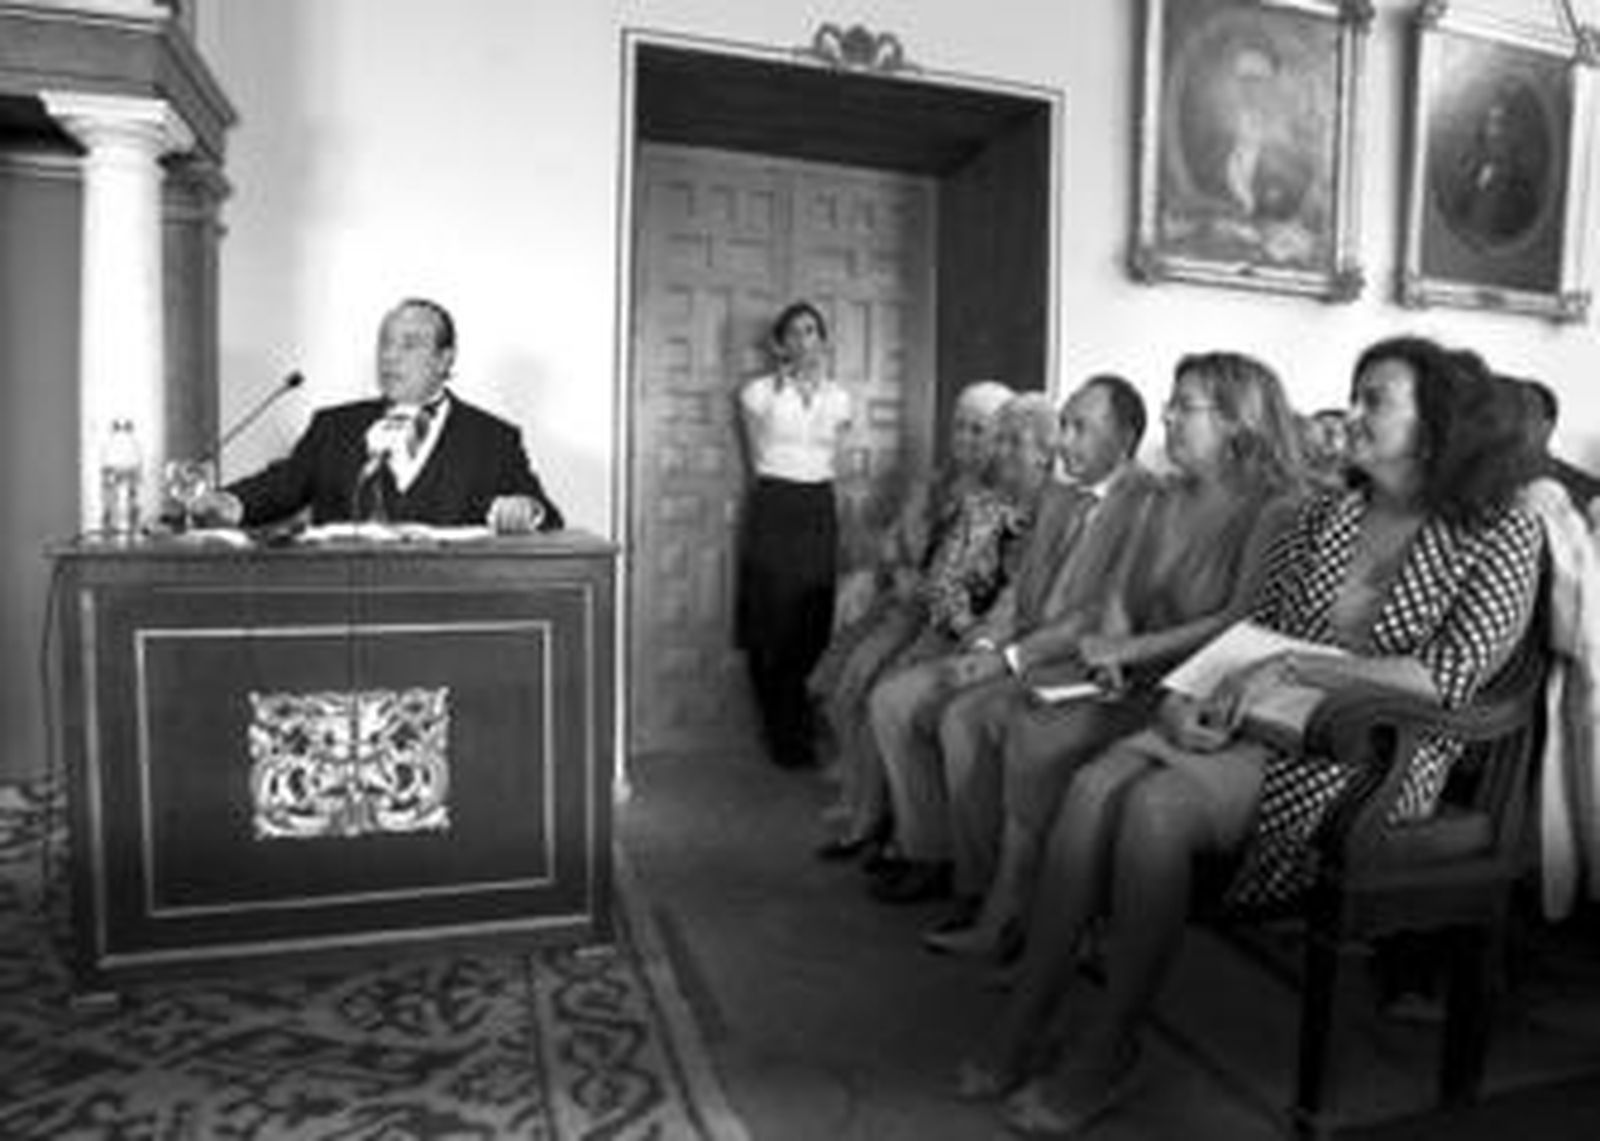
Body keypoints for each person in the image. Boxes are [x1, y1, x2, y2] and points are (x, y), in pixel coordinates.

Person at [958, 337, 1542, 1136]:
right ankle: (1025, 1019)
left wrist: (1299, 669)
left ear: (1436, 420)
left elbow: (1449, 674)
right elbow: (1252, 631)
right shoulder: (1331, 512)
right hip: (1263, 714)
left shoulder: (1502, 526)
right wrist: (1179, 699)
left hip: (1375, 750)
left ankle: (1107, 1048)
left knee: (1153, 808)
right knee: (1095, 785)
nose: (1352, 415)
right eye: (1357, 394)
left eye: (1376, 399)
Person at [928, 353, 1304, 959]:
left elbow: (1236, 618)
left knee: (1041, 737)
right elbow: (1119, 598)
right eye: (1170, 406)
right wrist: (1111, 651)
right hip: (1131, 671)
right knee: (1025, 719)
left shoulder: (1271, 508)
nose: (1169, 419)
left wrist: (1129, 650)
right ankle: (1021, 913)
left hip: (1199, 686)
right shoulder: (1164, 498)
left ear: (1237, 420)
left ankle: (1040, 923)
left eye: (1185, 408)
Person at [856, 375, 1154, 903]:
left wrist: (1006, 659)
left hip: (1075, 661)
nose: (1063, 442)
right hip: (1017, 645)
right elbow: (1019, 592)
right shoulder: (1062, 499)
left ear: (1125, 438)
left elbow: (1094, 615)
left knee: (962, 718)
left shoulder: (1146, 504)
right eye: (1064, 426)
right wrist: (986, 646)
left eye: (1079, 428)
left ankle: (983, 889)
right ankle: (933, 854)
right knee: (891, 700)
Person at [863, 392, 1066, 903]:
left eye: (1012, 440)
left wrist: (991, 645)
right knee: (889, 701)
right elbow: (941, 579)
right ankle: (926, 848)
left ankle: (975, 873)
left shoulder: (1062, 512)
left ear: (1046, 451)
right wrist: (968, 631)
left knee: (938, 709)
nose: (1001, 450)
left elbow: (1045, 608)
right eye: (1000, 439)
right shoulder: (982, 505)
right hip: (964, 637)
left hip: (1021, 652)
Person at [811, 379, 1013, 857]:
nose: (966, 439)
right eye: (960, 427)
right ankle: (865, 801)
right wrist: (890, 569)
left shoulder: (1001, 498)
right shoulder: (934, 482)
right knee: (844, 678)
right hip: (906, 602)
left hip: (941, 619)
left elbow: (986, 586)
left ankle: (874, 817)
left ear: (1000, 438)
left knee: (871, 679)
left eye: (979, 430)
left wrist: (924, 589)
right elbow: (895, 544)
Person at [201, 298, 564, 532]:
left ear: (444, 358)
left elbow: (545, 515)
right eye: (385, 343)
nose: (390, 356)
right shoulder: (335, 427)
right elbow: (283, 485)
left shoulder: (492, 439)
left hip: (448, 619)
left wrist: (526, 510)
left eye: (409, 344)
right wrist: (229, 502)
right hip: (345, 617)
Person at [736, 300, 854, 769]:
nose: (806, 340)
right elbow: (753, 459)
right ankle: (778, 732)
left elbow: (834, 460)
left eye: (813, 331)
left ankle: (803, 729)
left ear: (823, 341)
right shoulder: (756, 394)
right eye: (796, 332)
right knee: (770, 622)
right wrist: (774, 497)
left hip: (817, 506)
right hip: (774, 504)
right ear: (780, 344)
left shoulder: (841, 398)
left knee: (811, 622)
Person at [1514, 376, 1600, 515]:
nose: (1513, 424)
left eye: (1523, 415)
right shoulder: (1482, 480)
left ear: (1547, 426)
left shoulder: (1587, 491)